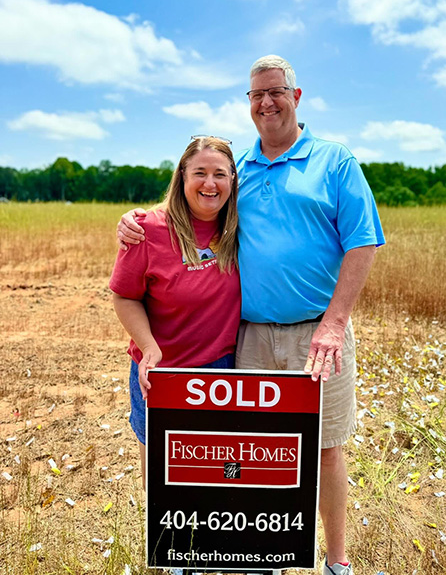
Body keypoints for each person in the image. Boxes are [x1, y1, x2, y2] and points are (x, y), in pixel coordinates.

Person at [118, 56, 385, 575]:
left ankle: (336, 562)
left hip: (319, 334)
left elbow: (363, 242)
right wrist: (134, 220)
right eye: (256, 94)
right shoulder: (240, 166)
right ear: (248, 103)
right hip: (250, 337)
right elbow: (194, 197)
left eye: (276, 91)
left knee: (326, 449)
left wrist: (334, 323)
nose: (267, 102)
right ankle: (255, 557)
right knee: (251, 455)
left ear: (297, 95)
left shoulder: (334, 161)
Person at [110, 136, 240, 488]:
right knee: (162, 477)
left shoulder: (240, 227)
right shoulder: (147, 229)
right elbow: (124, 296)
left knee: (216, 471)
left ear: (233, 180)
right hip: (161, 373)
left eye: (220, 174)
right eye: (200, 173)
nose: (210, 184)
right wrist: (149, 346)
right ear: (182, 176)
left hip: (220, 371)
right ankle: (164, 544)